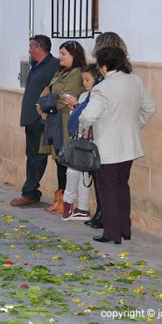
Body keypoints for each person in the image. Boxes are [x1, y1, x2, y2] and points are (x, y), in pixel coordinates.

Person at [79, 47, 156, 245]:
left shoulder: (102, 88)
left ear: (104, 66)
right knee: (122, 186)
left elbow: (88, 115)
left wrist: (84, 127)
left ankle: (111, 233)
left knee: (108, 190)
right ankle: (125, 229)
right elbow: (150, 107)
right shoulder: (134, 81)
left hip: (107, 147)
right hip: (129, 145)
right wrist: (135, 125)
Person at [36, 40, 86, 214]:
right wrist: (44, 102)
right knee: (59, 160)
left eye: (64, 54)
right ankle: (60, 199)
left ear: (74, 56)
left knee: (64, 160)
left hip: (65, 122)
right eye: (60, 53)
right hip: (55, 120)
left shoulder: (77, 73)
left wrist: (47, 102)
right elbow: (47, 91)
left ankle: (66, 201)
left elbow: (65, 99)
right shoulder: (60, 71)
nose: (60, 57)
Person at [10, 35, 60, 207]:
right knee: (32, 155)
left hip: (40, 120)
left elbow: (54, 92)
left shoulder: (53, 66)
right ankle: (31, 191)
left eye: (31, 46)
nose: (29, 50)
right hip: (32, 120)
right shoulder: (36, 66)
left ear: (39, 47)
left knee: (37, 157)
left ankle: (29, 192)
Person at [62, 64, 103, 222]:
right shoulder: (85, 95)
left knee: (81, 172)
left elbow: (91, 115)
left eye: (87, 79)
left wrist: (77, 106)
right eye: (83, 79)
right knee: (75, 170)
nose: (85, 83)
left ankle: (77, 205)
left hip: (92, 141)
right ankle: (74, 205)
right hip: (79, 138)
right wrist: (75, 106)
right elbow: (76, 117)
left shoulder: (98, 95)